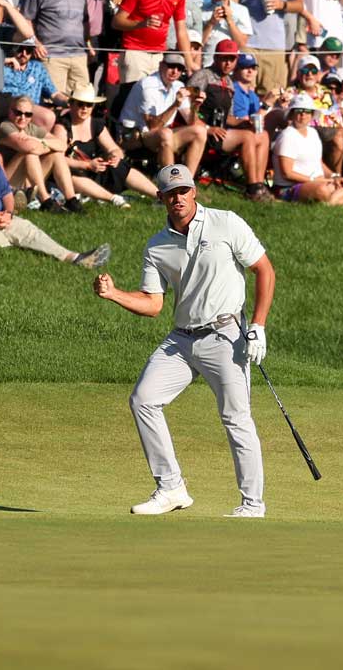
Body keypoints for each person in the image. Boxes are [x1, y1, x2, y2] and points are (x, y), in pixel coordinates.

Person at [97, 163, 276, 517]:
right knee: (143, 399)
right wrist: (115, 294)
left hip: (226, 334)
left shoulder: (226, 222)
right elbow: (153, 305)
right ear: (161, 197)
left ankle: (252, 504)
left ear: (194, 191)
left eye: (183, 191)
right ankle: (171, 487)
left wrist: (258, 325)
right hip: (181, 339)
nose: (178, 198)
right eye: (170, 193)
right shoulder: (157, 246)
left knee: (236, 417)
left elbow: (264, 269)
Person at [0, 120, 109, 268]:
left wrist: (9, 212)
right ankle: (12, 246)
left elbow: (6, 191)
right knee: (0, 242)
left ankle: (74, 257)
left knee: (30, 231)